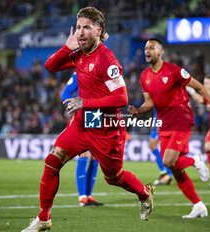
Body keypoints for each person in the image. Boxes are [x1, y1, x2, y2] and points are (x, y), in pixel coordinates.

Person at [22, 7, 154, 232]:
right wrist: (67, 47)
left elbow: (121, 98)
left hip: (106, 130)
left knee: (113, 177)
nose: (81, 32)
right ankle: (44, 219)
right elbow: (50, 66)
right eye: (79, 27)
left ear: (98, 31)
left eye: (87, 28)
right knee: (52, 161)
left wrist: (85, 102)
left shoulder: (107, 60)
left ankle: (144, 193)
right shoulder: (79, 53)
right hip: (83, 124)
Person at [128, 38, 210, 218]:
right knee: (174, 168)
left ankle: (195, 160)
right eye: (146, 48)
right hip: (164, 123)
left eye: (152, 48)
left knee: (168, 161)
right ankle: (198, 205)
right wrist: (138, 110)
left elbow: (201, 87)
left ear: (160, 51)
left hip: (181, 117)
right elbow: (149, 102)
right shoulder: (144, 76)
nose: (147, 51)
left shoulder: (174, 71)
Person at [61, 72, 102, 207]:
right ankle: (82, 197)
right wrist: (74, 106)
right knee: (83, 153)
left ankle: (89, 196)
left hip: (97, 115)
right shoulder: (78, 73)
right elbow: (65, 93)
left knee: (95, 156)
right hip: (83, 114)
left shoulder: (102, 72)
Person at [150, 109, 173, 186]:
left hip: (162, 119)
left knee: (159, 146)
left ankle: (168, 175)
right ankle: (165, 173)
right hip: (157, 118)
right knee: (152, 146)